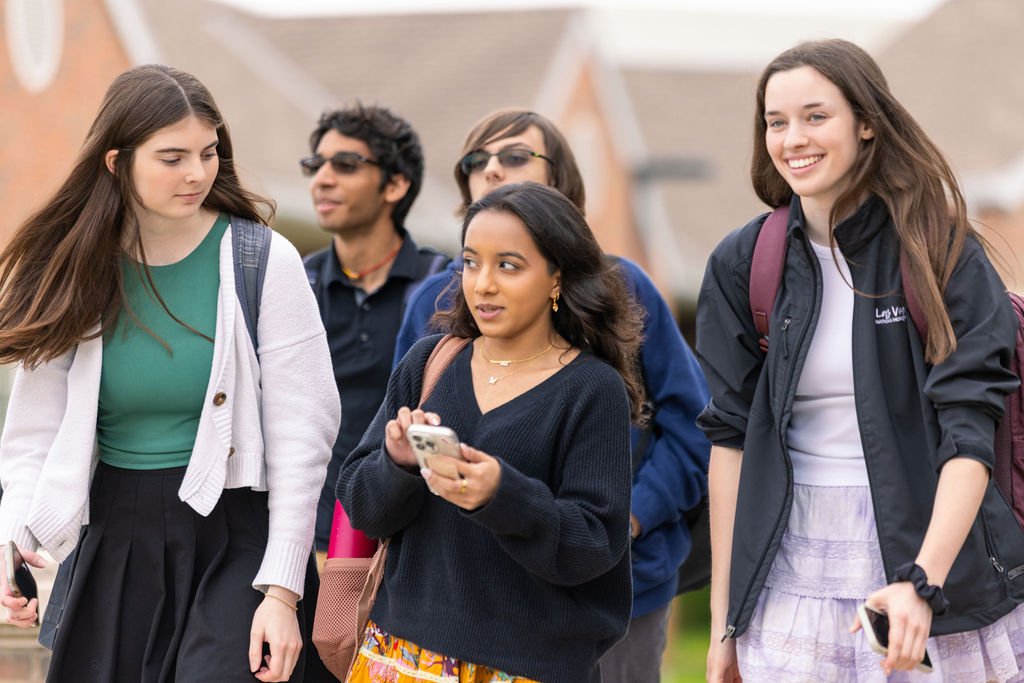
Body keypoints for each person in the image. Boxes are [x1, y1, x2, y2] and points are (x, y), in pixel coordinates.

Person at [697, 39, 1024, 682]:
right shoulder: (744, 263)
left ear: (866, 122)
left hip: (931, 558)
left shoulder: (941, 250)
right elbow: (729, 443)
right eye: (776, 121)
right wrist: (725, 624)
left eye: (816, 116)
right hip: (787, 573)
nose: (794, 139)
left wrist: (920, 584)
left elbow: (970, 430)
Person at [0, 64, 340, 683]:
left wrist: (283, 592)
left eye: (209, 152)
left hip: (237, 532)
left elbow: (304, 435)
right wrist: (13, 541)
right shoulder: (73, 266)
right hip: (115, 532)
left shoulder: (262, 259)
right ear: (116, 162)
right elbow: (32, 432)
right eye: (172, 157)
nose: (197, 173)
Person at [393, 109, 711, 682]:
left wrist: (630, 519)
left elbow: (694, 429)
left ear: (562, 183)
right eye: (476, 162)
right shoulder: (428, 306)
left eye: (515, 156)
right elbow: (396, 439)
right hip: (452, 599)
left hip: (608, 592)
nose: (493, 170)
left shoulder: (626, 288)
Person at [337, 181, 644, 683]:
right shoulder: (430, 362)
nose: (482, 284)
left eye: (508, 265)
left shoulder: (593, 389)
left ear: (556, 279)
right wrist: (397, 464)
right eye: (471, 263)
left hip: (524, 669)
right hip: (398, 658)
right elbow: (364, 510)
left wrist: (501, 494)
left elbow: (593, 546)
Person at [299, 104, 449, 559]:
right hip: (305, 539)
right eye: (315, 165)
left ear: (396, 184)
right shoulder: (293, 285)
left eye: (345, 165)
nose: (322, 178)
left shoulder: (442, 290)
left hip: (406, 540)